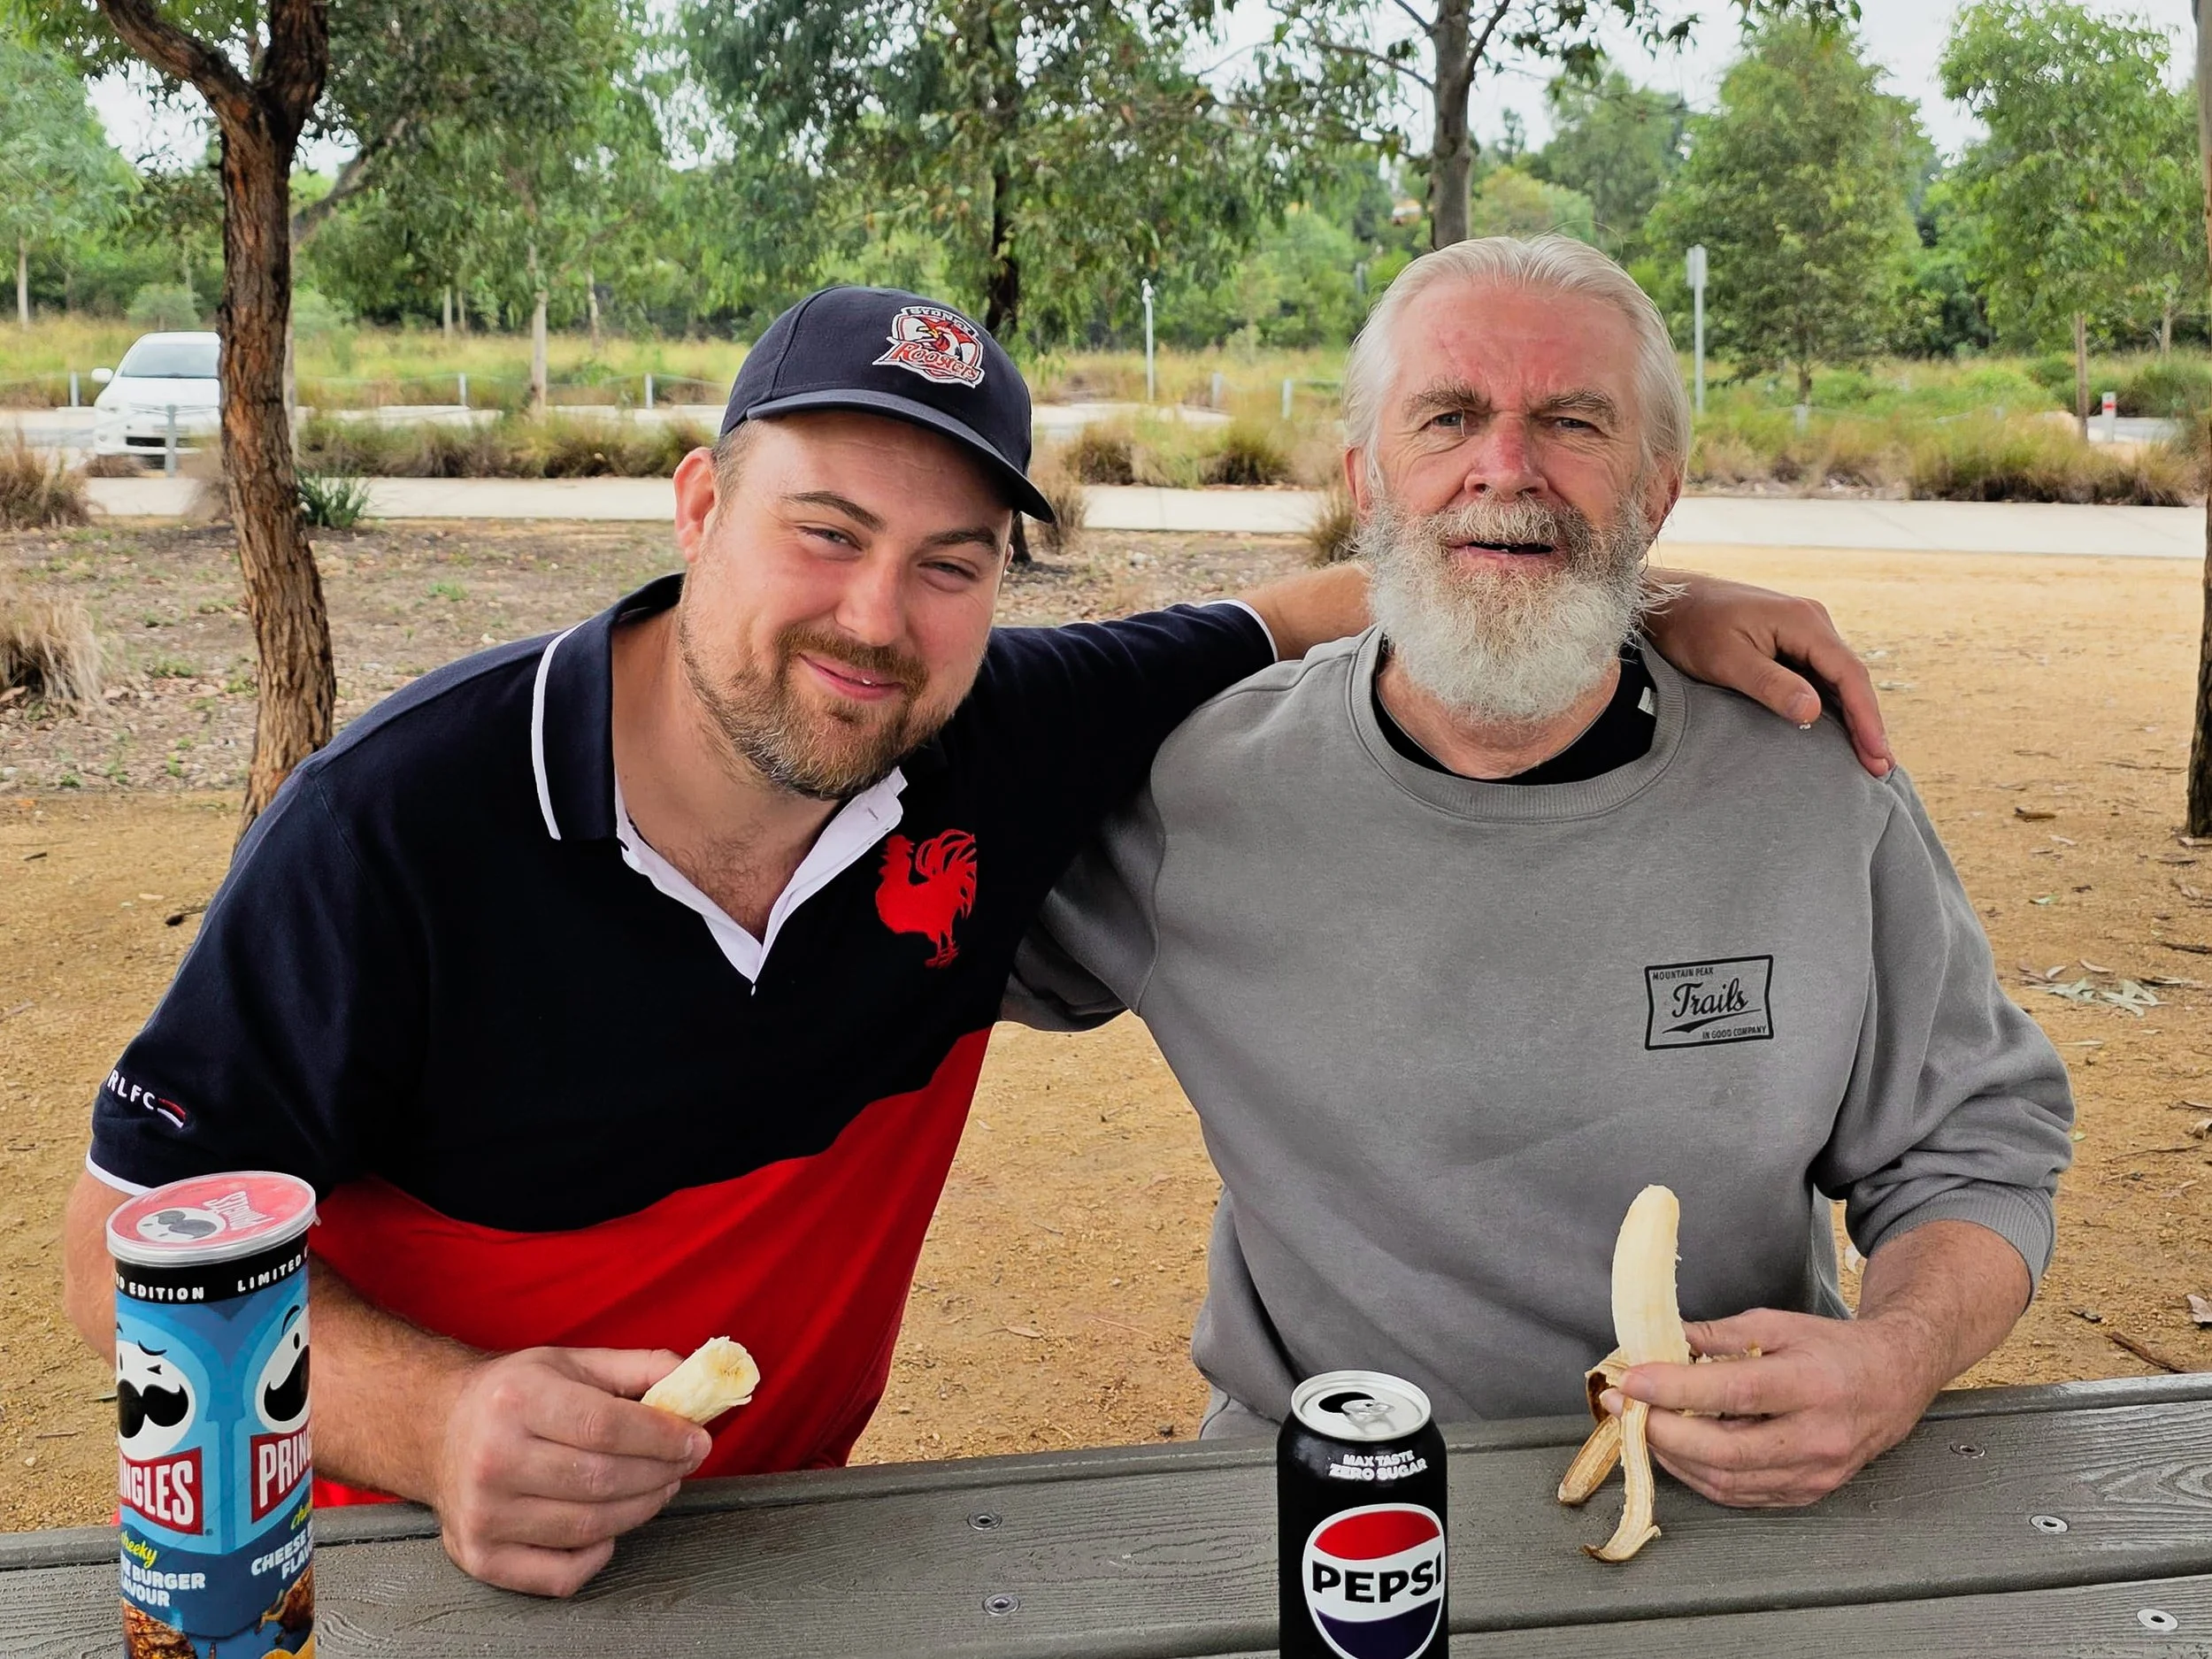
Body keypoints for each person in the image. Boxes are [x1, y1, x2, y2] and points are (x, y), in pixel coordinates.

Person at [63, 284, 1890, 1596]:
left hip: (790, 1557)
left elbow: (1332, 595)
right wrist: (450, 1420)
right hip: (383, 1565)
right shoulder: (399, 819)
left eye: (950, 560)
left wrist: (1637, 591)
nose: (877, 616)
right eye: (824, 531)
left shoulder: (999, 736)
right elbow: (119, 1250)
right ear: (697, 511)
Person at [1009, 237, 2073, 1510]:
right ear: (1364, 479)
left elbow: (1976, 1143)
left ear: (1657, 490)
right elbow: (869, 903)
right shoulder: (1195, 786)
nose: (1505, 469)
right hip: (1333, 1509)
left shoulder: (1813, 783)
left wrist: (1893, 1357)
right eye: (1449, 416)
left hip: (1733, 1499)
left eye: (1573, 422)